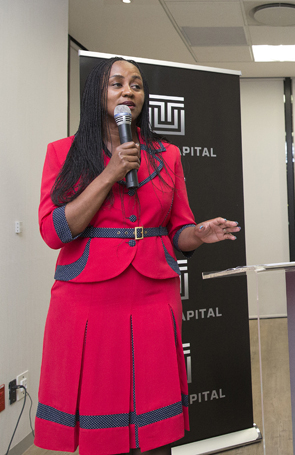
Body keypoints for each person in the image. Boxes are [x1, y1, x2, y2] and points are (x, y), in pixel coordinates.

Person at [35, 57, 241, 455]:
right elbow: (53, 232)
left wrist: (199, 234)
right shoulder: (63, 153)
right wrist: (110, 173)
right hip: (87, 297)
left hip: (153, 294)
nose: (128, 91)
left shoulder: (167, 154)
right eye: (117, 84)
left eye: (136, 84)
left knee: (154, 424)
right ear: (97, 94)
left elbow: (178, 232)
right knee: (100, 416)